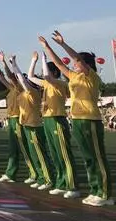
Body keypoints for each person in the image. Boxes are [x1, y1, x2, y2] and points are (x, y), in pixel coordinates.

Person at [40, 31, 113, 207]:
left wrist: (62, 44)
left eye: (76, 62)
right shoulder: (74, 77)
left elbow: (77, 59)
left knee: (97, 156)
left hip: (90, 120)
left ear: (86, 64)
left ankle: (105, 193)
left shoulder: (91, 76)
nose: (73, 65)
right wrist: (47, 47)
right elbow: (58, 63)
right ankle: (95, 190)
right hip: (78, 120)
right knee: (88, 157)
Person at [28, 50, 80, 198]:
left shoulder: (60, 83)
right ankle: (61, 183)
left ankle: (72, 186)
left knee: (64, 153)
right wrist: (34, 60)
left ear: (55, 73)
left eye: (48, 70)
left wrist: (44, 59)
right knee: (55, 154)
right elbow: (31, 77)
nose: (44, 73)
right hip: (48, 120)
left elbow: (46, 76)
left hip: (58, 119)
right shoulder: (46, 84)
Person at [8, 54, 53, 191]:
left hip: (34, 126)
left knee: (40, 154)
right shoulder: (23, 94)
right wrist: (10, 65)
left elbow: (22, 79)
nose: (23, 83)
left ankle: (48, 178)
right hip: (26, 125)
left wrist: (14, 64)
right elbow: (17, 79)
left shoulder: (33, 92)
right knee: (33, 154)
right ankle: (40, 177)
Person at [0, 53, 36, 184]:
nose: (10, 79)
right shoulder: (12, 89)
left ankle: (34, 174)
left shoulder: (19, 88)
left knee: (23, 148)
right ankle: (11, 173)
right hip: (11, 119)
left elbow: (9, 75)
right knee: (13, 148)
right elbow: (3, 79)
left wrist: (5, 63)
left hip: (18, 119)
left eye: (13, 78)